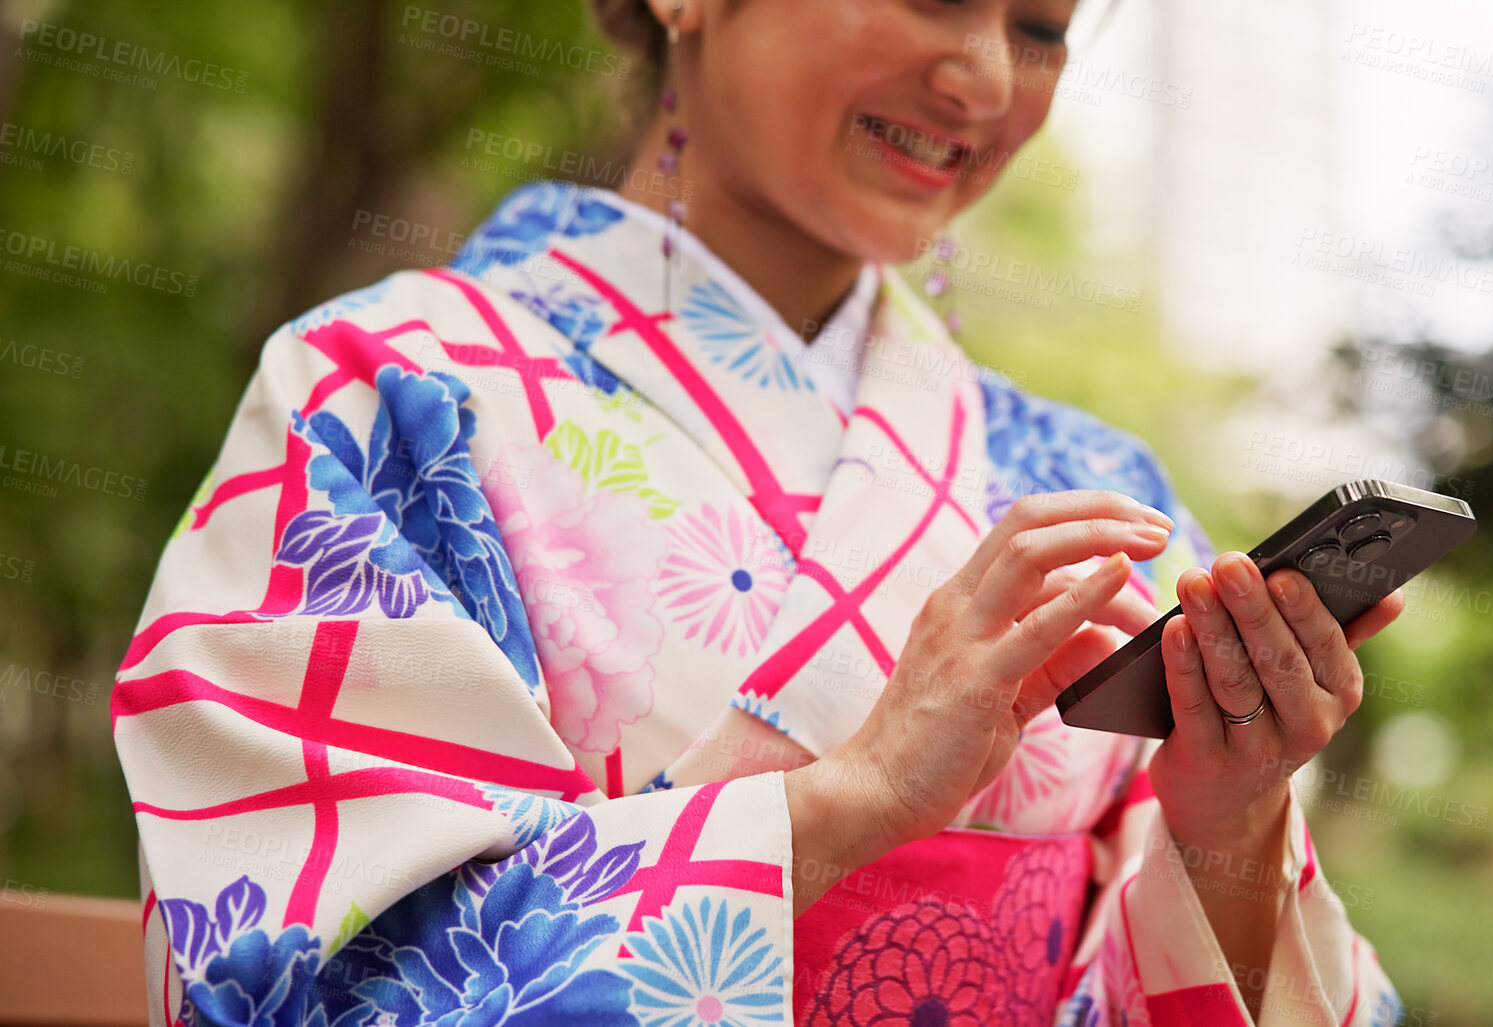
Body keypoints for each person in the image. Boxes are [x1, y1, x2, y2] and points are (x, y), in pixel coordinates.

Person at [110, 0, 1408, 1023]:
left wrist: (1227, 824)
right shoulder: (386, 396)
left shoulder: (1087, 480)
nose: (987, 80)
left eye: (1041, 28)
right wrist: (860, 799)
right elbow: (309, 966)